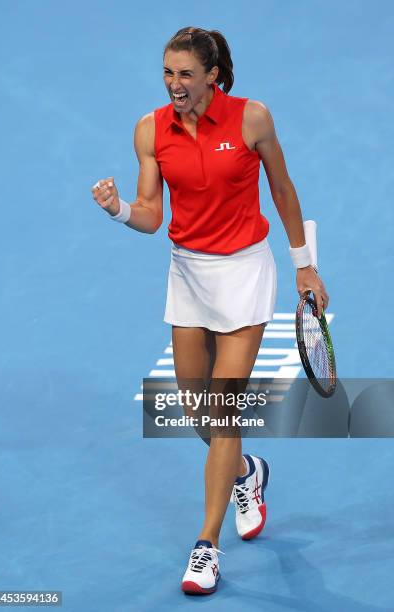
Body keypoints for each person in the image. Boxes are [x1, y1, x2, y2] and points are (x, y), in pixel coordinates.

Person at [91, 26, 329, 595]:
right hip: (189, 274)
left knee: (222, 409)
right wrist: (119, 208)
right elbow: (151, 213)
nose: (175, 84)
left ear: (212, 75)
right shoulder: (150, 129)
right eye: (168, 74)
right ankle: (247, 473)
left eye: (186, 74)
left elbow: (283, 189)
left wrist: (304, 264)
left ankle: (206, 545)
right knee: (196, 405)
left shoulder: (252, 119)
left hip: (245, 271)